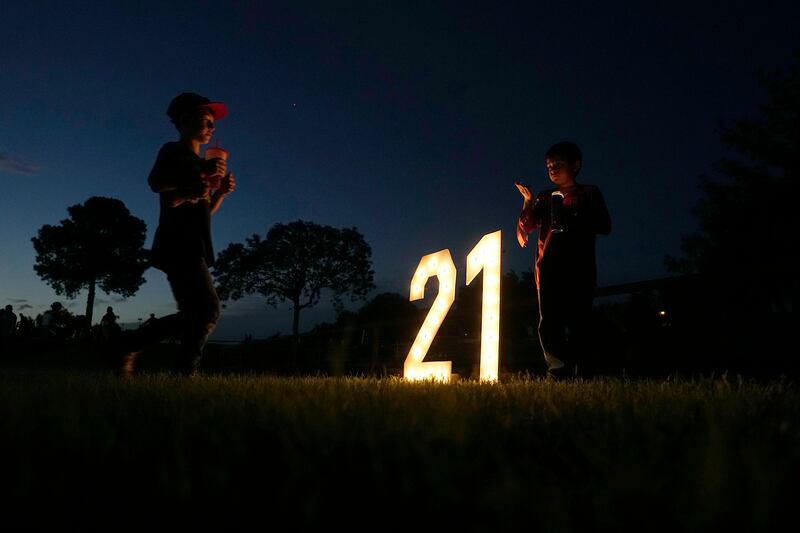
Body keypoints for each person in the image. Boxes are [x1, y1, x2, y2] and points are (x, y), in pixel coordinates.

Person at [113, 92, 236, 377]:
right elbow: (156, 185)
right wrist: (194, 181)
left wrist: (220, 193)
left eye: (213, 123)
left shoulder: (200, 164)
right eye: (207, 120)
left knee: (198, 314)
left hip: (194, 243)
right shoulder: (174, 151)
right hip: (177, 243)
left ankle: (131, 347)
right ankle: (182, 372)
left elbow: (203, 210)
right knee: (207, 311)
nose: (212, 128)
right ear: (184, 120)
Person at [515, 141, 611, 378]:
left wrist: (574, 218)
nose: (553, 169)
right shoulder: (545, 197)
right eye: (549, 165)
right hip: (548, 268)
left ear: (576, 165)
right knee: (549, 321)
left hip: (580, 266)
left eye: (558, 164)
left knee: (581, 319)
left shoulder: (588, 193)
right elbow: (527, 225)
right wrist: (527, 202)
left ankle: (584, 370)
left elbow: (604, 224)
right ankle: (558, 370)